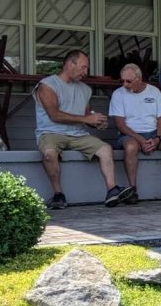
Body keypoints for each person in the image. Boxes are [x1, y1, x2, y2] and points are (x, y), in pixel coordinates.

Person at [34, 49, 133, 209]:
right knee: (49, 154)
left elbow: (86, 115)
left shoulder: (85, 89)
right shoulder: (47, 85)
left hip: (78, 134)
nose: (86, 72)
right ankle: (59, 195)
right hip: (51, 132)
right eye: (83, 67)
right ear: (70, 64)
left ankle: (112, 191)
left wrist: (95, 122)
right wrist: (86, 119)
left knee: (106, 149)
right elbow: (54, 115)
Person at [109, 63, 161, 203]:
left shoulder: (154, 91)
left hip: (154, 133)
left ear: (139, 78)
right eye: (122, 81)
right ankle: (132, 190)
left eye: (128, 81)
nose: (125, 84)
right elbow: (120, 124)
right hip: (130, 135)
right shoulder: (118, 94)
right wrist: (140, 140)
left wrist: (157, 138)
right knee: (131, 147)